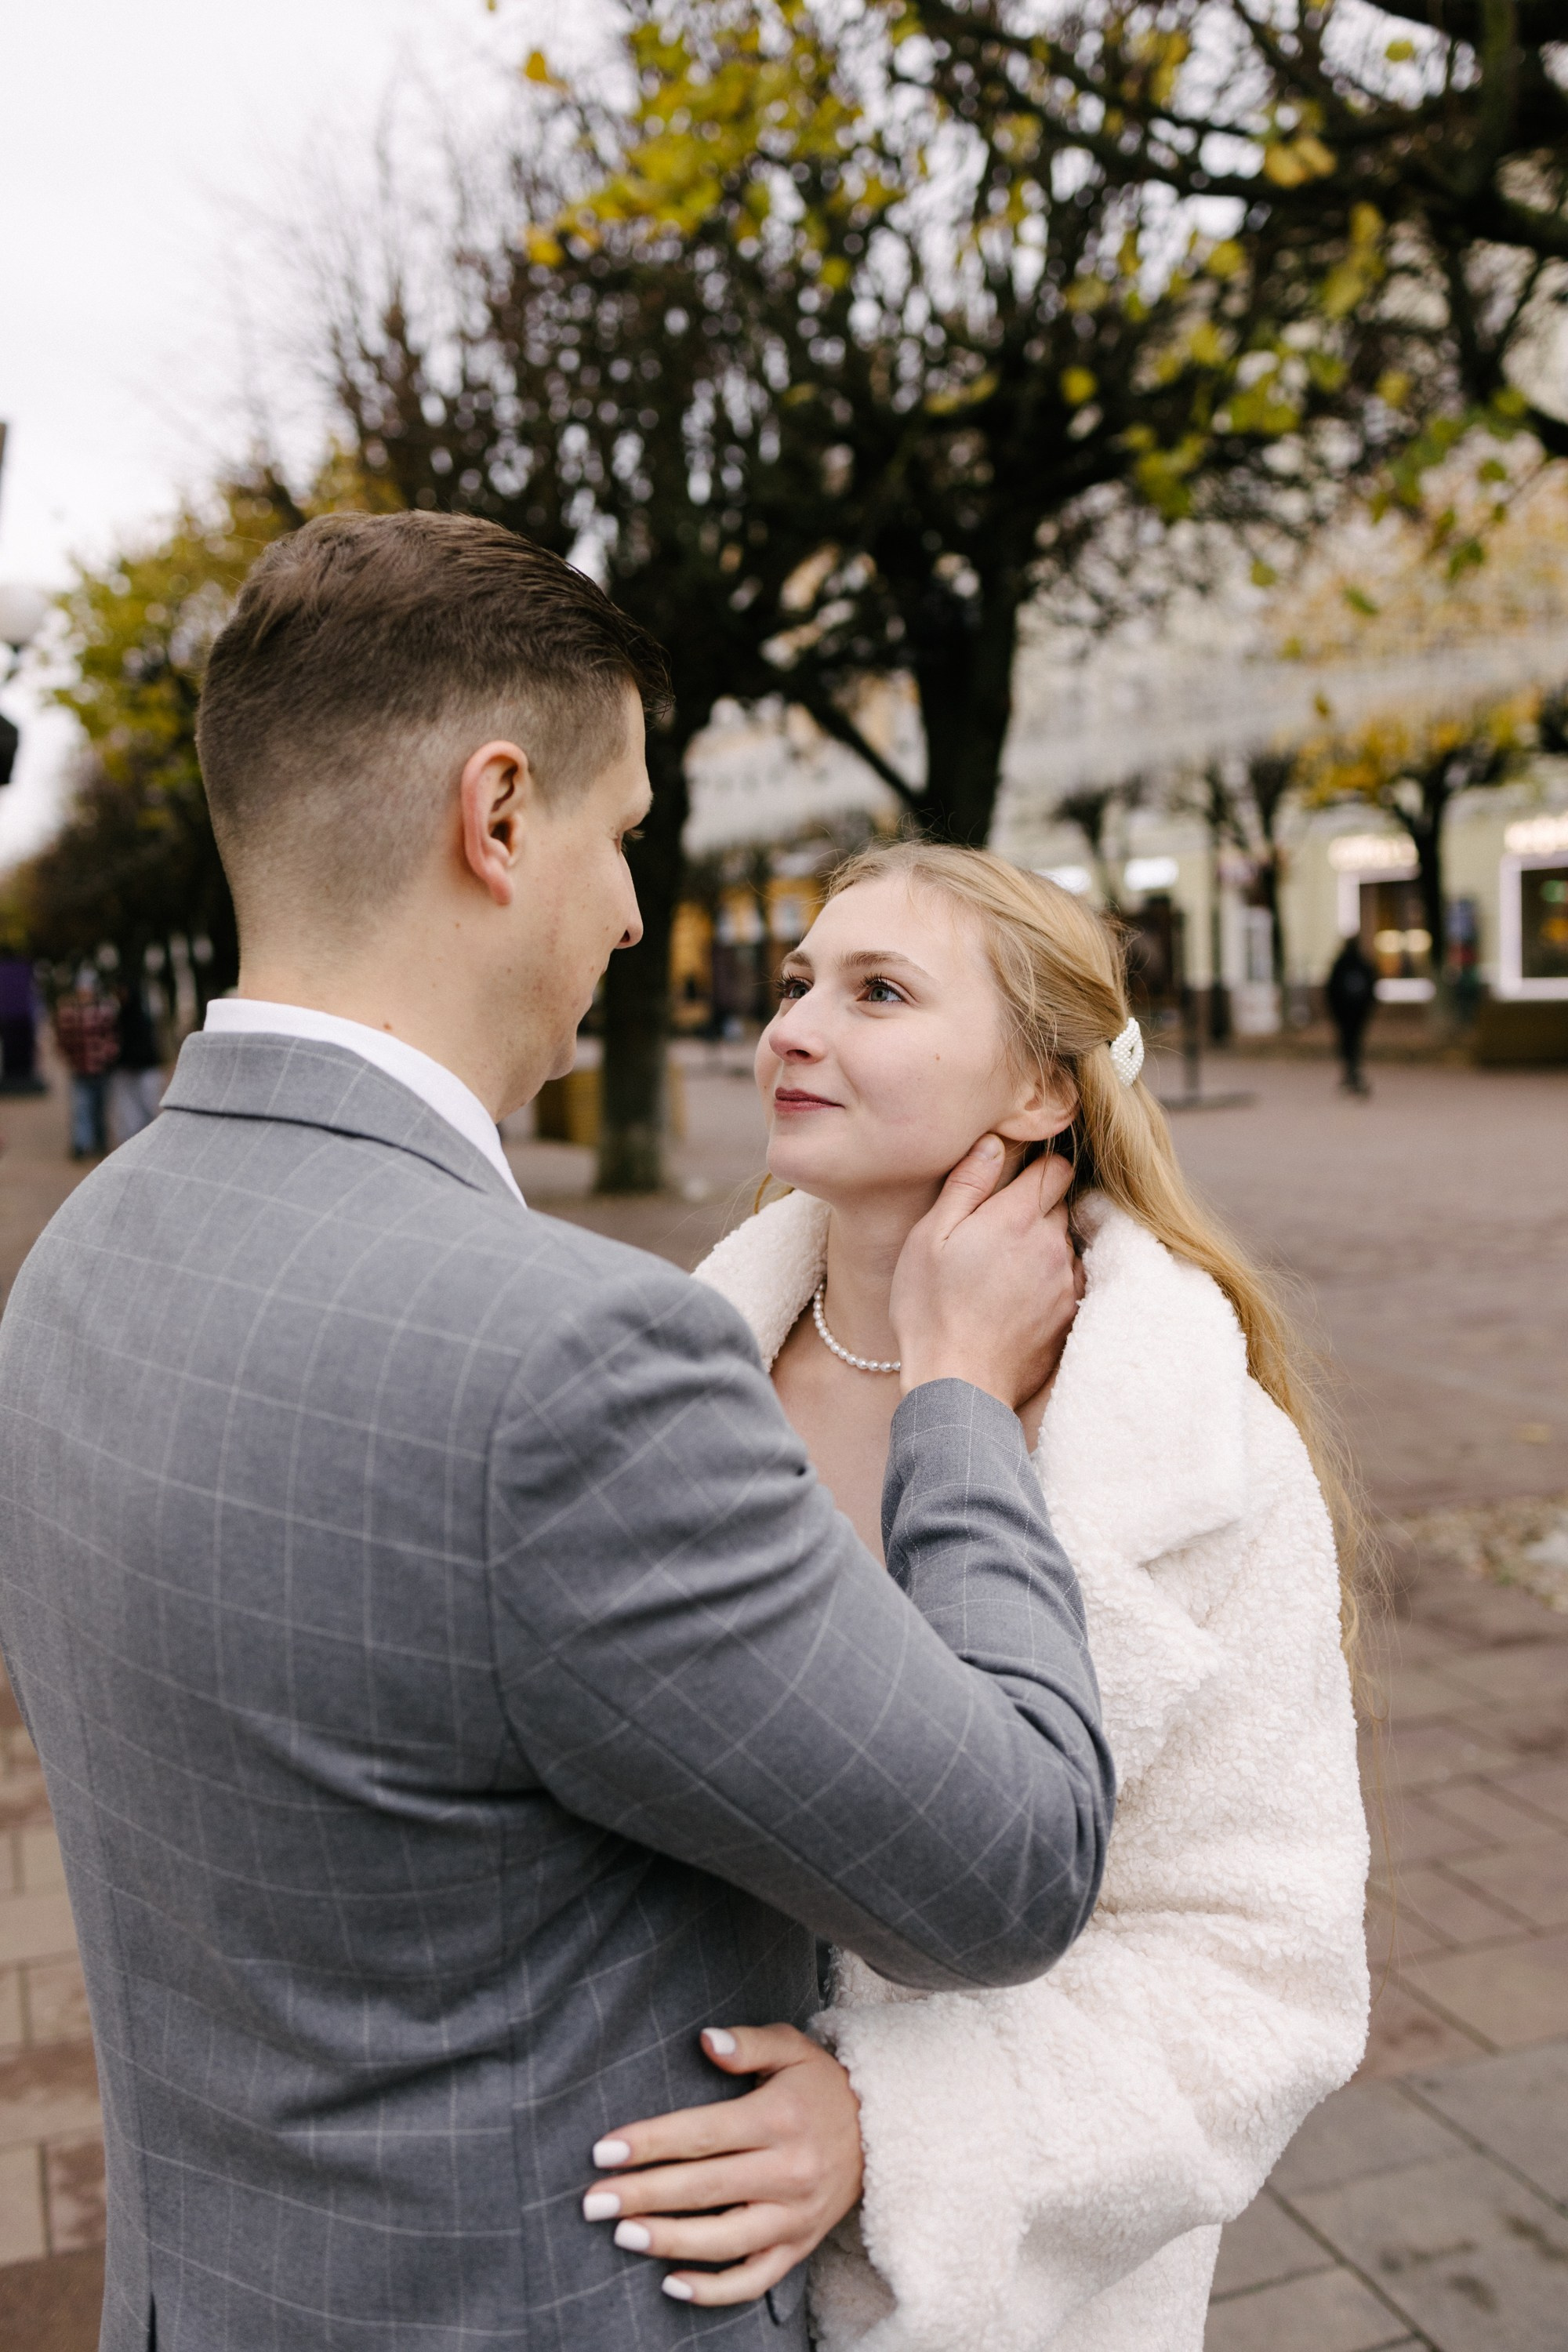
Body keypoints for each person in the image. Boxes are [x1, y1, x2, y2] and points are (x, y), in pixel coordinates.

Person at [0, 514, 1114, 2352]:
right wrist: (953, 1400)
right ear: (497, 818)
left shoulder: (72, 1265)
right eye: (622, 833)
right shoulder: (574, 1367)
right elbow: (1008, 1866)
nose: (625, 906)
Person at [592, 844, 1369, 2350]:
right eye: (801, 981)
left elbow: (1265, 1967)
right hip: (645, 2259)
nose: (796, 1026)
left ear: (1042, 1091)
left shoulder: (1195, 1456)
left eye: (879, 992)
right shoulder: (672, 1385)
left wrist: (896, 2133)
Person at [53, 970, 119, 1156]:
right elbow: (63, 1038)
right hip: (79, 1067)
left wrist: (108, 1054)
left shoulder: (104, 1010)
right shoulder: (69, 1012)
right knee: (81, 1107)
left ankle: (100, 1142)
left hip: (101, 1067)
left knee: (99, 1107)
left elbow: (112, 1036)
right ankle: (81, 1144)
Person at [108, 975, 164, 1142]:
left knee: (147, 1107)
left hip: (144, 1069)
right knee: (128, 1112)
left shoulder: (142, 1017)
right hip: (126, 1070)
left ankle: (150, 1141)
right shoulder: (120, 1017)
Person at [1326, 933, 1377, 1094]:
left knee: (1346, 1041)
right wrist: (1367, 1008)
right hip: (1358, 1013)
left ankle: (1350, 1071)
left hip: (1344, 1013)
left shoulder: (1340, 964)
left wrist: (1335, 1011)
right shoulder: (1363, 963)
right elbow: (1372, 987)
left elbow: (1331, 989)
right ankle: (1353, 1071)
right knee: (1355, 1041)